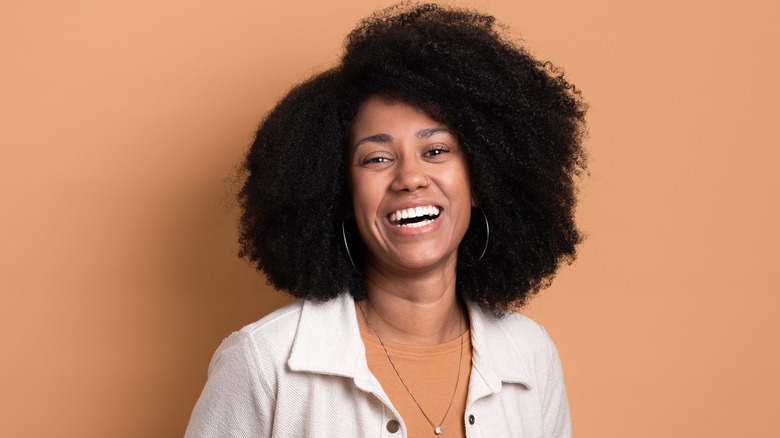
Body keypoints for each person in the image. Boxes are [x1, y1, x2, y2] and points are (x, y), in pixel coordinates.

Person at [185, 3, 586, 437]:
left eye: (435, 151)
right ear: (339, 193)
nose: (411, 178)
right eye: (377, 158)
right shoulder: (265, 362)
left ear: (480, 181)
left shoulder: (530, 356)